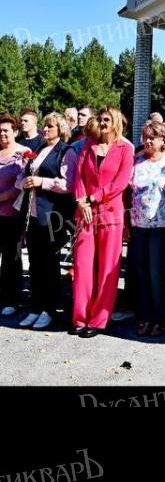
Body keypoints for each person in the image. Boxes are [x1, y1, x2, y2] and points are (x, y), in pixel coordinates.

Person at [71, 106, 134, 337]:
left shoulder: (125, 149)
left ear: (116, 122)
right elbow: (78, 177)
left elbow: (121, 183)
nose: (103, 123)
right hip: (85, 213)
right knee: (82, 266)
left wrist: (93, 198)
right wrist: (82, 201)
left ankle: (98, 320)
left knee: (107, 268)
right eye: (101, 119)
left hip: (111, 214)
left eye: (107, 119)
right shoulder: (88, 145)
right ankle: (80, 317)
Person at [16, 112, 78, 330]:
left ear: (61, 129)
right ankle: (35, 307)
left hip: (53, 215)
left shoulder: (66, 151)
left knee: (50, 264)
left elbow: (69, 184)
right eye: (44, 125)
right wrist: (23, 180)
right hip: (33, 214)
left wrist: (42, 181)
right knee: (35, 263)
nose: (45, 129)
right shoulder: (40, 149)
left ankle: (49, 310)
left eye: (50, 126)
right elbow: (26, 175)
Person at [127, 121, 165, 337]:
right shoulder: (137, 161)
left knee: (156, 271)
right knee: (140, 271)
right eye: (145, 137)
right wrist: (126, 223)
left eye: (153, 137)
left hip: (161, 224)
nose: (148, 141)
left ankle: (159, 318)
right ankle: (145, 317)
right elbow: (128, 193)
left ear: (163, 140)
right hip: (138, 223)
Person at [0, 115, 33, 316]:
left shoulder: (23, 153)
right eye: (0, 130)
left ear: (15, 131)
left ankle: (11, 299)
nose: (2, 133)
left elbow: (20, 184)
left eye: (6, 130)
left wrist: (1, 197)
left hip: (12, 214)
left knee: (11, 257)